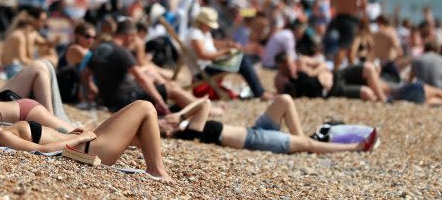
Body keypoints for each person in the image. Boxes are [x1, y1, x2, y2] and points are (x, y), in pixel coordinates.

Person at [0, 98, 171, 181]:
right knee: (144, 107)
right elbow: (41, 150)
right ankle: (157, 170)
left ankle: (155, 164)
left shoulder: (4, 131)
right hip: (89, 149)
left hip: (86, 143)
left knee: (142, 126)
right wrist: (79, 139)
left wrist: (71, 135)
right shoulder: (2, 136)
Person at [159, 95, 378, 154]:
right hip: (255, 141)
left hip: (255, 130)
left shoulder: (187, 126)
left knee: (284, 100)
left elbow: (206, 106)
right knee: (307, 144)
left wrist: (180, 116)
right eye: (162, 124)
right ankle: (357, 147)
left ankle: (302, 142)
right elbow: (205, 103)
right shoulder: (188, 134)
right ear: (167, 132)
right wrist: (179, 117)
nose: (164, 122)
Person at [83, 18, 201, 115]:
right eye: (133, 37)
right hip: (126, 100)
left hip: (109, 99)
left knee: (165, 83)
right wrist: (159, 100)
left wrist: (92, 91)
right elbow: (141, 78)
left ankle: (197, 104)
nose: (133, 41)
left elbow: (85, 73)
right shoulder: (122, 52)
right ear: (128, 35)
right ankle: (201, 108)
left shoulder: (101, 48)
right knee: (171, 88)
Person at [186, 7, 272, 100]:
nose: (211, 27)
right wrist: (225, 52)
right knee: (242, 61)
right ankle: (260, 92)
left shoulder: (201, 32)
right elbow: (203, 55)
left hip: (208, 66)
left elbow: (212, 42)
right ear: (202, 23)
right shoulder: (195, 35)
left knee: (242, 58)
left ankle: (259, 91)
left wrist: (228, 44)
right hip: (203, 71)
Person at [274, 52, 388, 102]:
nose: (290, 68)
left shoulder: (301, 62)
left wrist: (315, 73)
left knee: (369, 67)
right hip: (334, 89)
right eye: (286, 67)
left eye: (290, 65)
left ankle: (384, 99)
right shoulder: (282, 78)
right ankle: (389, 97)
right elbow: (281, 92)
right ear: (281, 68)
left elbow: (323, 63)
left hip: (337, 75)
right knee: (367, 92)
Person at [325, 0, 368, 70]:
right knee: (346, 48)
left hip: (338, 18)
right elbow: (364, 5)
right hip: (351, 20)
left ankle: (345, 69)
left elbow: (331, 3)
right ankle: (337, 71)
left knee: (345, 47)